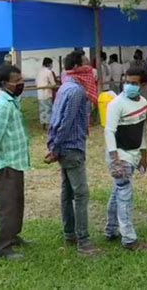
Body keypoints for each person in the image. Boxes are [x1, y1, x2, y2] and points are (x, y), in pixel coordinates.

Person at [45, 51, 100, 256]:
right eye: (86, 62)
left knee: (67, 192)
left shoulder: (65, 86)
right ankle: (84, 242)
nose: (90, 67)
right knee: (81, 193)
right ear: (78, 66)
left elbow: (57, 118)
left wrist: (54, 146)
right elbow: (66, 122)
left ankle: (70, 234)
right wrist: (56, 147)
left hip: (64, 146)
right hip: (71, 147)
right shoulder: (76, 90)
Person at [0, 65, 30, 260]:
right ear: (4, 84)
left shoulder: (12, 101)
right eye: (16, 81)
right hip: (6, 163)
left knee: (17, 202)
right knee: (7, 205)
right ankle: (3, 246)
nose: (20, 83)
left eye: (21, 79)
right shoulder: (2, 106)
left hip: (17, 161)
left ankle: (13, 235)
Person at [104, 66, 147, 251]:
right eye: (127, 82)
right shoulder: (116, 104)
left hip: (133, 154)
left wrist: (143, 153)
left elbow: (141, 130)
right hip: (120, 155)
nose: (129, 86)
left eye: (134, 83)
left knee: (118, 192)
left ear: (142, 84)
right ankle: (129, 239)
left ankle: (111, 230)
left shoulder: (143, 103)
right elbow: (109, 131)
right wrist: (114, 158)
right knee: (125, 194)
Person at [36, 57, 57, 130]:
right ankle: (49, 125)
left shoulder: (39, 71)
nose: (52, 65)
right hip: (47, 93)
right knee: (48, 109)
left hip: (40, 93)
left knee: (42, 109)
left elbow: (37, 82)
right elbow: (53, 83)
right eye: (51, 64)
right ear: (49, 64)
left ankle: (43, 125)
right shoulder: (49, 72)